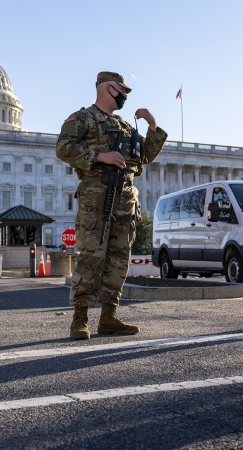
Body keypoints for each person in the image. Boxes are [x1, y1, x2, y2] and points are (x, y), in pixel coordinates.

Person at [56, 71, 167, 340]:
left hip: (125, 198)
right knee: (92, 255)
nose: (125, 96)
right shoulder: (83, 118)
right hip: (96, 197)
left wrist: (153, 127)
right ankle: (80, 318)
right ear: (108, 88)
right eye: (122, 91)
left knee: (119, 258)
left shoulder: (126, 126)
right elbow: (63, 148)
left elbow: (144, 157)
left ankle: (109, 316)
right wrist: (100, 156)